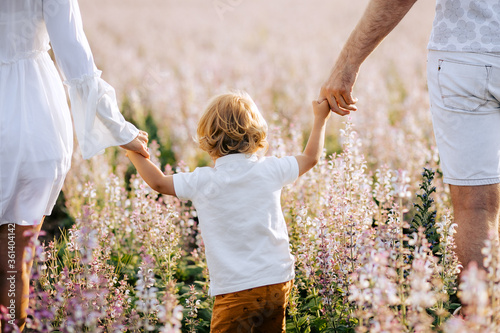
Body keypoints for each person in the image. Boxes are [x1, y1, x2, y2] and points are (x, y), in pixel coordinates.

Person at [320, 0, 500, 274]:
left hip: (464, 52)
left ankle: (478, 313)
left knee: (475, 207)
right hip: (464, 56)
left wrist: (347, 64)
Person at [0, 0, 149, 331]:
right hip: (33, 121)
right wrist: (119, 129)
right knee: (13, 259)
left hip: (28, 124)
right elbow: (77, 60)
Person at [127, 91, 331, 332]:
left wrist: (133, 151)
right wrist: (320, 118)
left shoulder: (203, 180)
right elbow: (311, 157)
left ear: (208, 138)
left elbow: (158, 182)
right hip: (278, 281)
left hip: (237, 290)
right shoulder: (271, 169)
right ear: (256, 134)